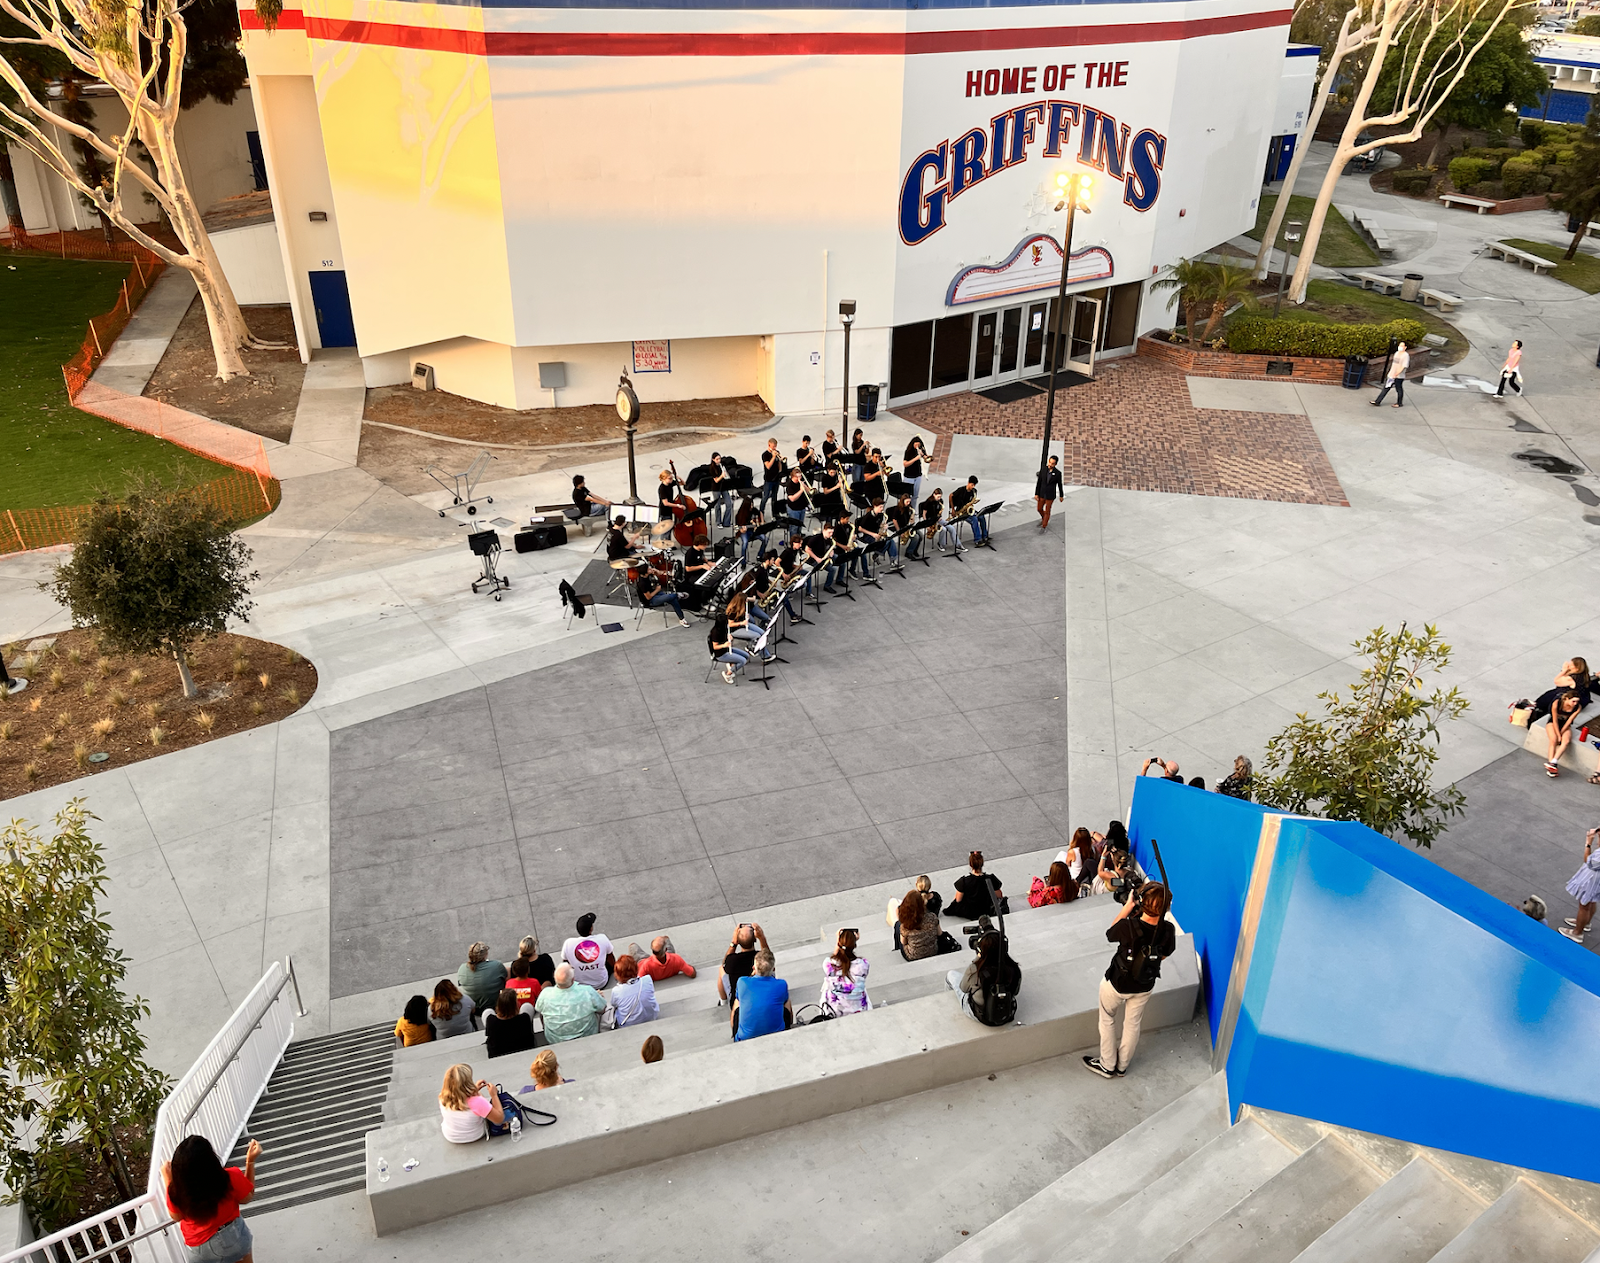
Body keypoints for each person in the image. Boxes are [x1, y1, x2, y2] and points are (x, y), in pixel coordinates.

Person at [1085, 882, 1176, 1078]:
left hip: (1118, 982)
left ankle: (1107, 1064)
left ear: (1140, 902)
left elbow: (1110, 933)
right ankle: (1122, 1066)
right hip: (1145, 984)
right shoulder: (1168, 929)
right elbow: (1165, 954)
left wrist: (1127, 908)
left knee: (1107, 1019)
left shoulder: (1128, 926)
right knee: (1133, 1023)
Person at [163, 1134, 259, 1263]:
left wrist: (168, 1180)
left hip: (200, 1249)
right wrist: (250, 1161)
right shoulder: (230, 1177)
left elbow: (176, 1216)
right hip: (234, 1239)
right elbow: (247, 1197)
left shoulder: (178, 1191)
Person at [946, 930, 1021, 1025]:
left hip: (980, 1015)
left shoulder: (974, 970)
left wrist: (977, 959)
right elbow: (1016, 992)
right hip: (1007, 1013)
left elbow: (963, 988)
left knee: (951, 975)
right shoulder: (1013, 968)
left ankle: (948, 1009)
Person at [534, 962, 608, 1042]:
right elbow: (602, 1009)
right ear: (573, 979)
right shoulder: (587, 991)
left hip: (554, 1039)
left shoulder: (545, 994)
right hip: (587, 1036)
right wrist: (598, 997)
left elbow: (539, 1010)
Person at [731, 949, 791, 1040]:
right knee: (786, 1000)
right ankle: (789, 1027)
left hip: (745, 1038)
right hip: (778, 1033)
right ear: (773, 969)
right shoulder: (782, 984)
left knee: (737, 1002)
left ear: (753, 968)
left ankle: (734, 1034)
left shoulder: (742, 982)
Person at [438, 1062, 504, 1142]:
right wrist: (494, 1095)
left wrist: (474, 1090)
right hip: (474, 1135)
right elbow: (499, 1119)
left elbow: (461, 1098)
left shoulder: (442, 1096)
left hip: (450, 1135)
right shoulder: (478, 1102)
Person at [820, 928, 870, 1015]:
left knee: (827, 984)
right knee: (860, 986)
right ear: (854, 945)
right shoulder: (863, 964)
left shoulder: (828, 964)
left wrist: (839, 942)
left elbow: (834, 958)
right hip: (858, 1010)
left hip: (833, 1011)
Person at [943, 850, 1006, 919]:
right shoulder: (991, 879)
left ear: (970, 865)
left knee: (956, 903)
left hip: (970, 911)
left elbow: (958, 900)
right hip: (987, 909)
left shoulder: (964, 881)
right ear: (982, 864)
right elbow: (999, 896)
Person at [718, 921, 769, 1005]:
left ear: (738, 940)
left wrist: (733, 943)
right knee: (769, 969)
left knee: (721, 969)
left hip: (738, 1001)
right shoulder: (760, 959)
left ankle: (723, 1002)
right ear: (755, 939)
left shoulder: (732, 960)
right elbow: (768, 958)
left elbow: (725, 963)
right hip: (760, 996)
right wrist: (762, 938)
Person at [562, 912, 616, 989]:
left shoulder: (568, 943)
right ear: (591, 929)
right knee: (606, 955)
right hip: (601, 983)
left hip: (580, 985)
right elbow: (611, 958)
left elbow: (565, 964)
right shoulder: (602, 938)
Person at [1564, 830, 1600, 940]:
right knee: (1591, 900)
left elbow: (1588, 860)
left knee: (1584, 906)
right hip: (1596, 879)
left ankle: (1577, 933)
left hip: (1592, 879)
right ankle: (1585, 923)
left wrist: (1588, 842)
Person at [484, 988, 537, 1059]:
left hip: (498, 1055)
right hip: (524, 1051)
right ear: (515, 1004)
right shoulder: (524, 1018)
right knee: (527, 1006)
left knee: (488, 1011)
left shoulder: (491, 1021)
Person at [609, 955, 661, 1027]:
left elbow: (613, 1004)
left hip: (627, 1024)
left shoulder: (616, 991)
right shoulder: (647, 980)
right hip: (652, 1017)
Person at [456, 942, 507, 1013]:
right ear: (485, 955)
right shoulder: (497, 965)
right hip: (494, 1005)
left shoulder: (462, 968)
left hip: (474, 1008)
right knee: (506, 971)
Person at [1543, 689, 1584, 777]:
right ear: (1566, 699)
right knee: (1553, 740)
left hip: (1565, 726)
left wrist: (1562, 733)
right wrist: (1558, 735)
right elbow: (1554, 720)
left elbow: (1569, 721)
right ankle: (1551, 764)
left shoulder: (1578, 707)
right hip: (1553, 723)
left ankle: (1554, 762)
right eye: (1573, 701)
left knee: (1565, 741)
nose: (1575, 704)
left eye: (1577, 701)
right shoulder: (1557, 703)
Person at [895, 890, 943, 961]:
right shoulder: (932, 917)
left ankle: (896, 948)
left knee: (897, 924)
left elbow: (903, 942)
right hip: (932, 951)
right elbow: (940, 933)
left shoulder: (905, 926)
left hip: (913, 956)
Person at [709, 613, 749, 684]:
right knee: (742, 661)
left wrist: (729, 637)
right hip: (720, 654)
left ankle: (731, 663)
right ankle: (728, 674)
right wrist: (724, 645)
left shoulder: (724, 628)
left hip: (727, 649)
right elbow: (715, 647)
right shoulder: (715, 633)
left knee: (746, 656)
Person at [1370, 341, 1410, 408]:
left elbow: (1404, 366)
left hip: (1399, 376)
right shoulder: (1397, 353)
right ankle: (1377, 401)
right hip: (1391, 375)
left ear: (1405, 347)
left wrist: (1397, 373)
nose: (1400, 347)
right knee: (1386, 388)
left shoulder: (1406, 355)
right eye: (1399, 346)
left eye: (1402, 346)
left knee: (1399, 389)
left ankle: (1399, 403)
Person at [1035, 455, 1065, 529]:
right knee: (1039, 508)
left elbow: (1059, 484)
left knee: (1047, 510)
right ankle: (1044, 518)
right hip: (1042, 493)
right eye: (1050, 462)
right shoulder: (1043, 470)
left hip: (1050, 495)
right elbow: (1039, 482)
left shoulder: (1057, 473)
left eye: (1052, 463)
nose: (1050, 465)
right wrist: (1036, 493)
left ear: (1055, 464)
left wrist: (1061, 495)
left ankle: (1044, 525)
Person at [760, 438, 786, 515]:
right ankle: (761, 513)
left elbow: (779, 465)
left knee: (774, 497)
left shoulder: (777, 452)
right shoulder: (765, 454)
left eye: (776, 446)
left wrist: (781, 464)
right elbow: (768, 466)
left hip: (776, 478)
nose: (775, 448)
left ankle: (774, 514)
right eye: (773, 446)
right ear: (769, 445)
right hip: (769, 479)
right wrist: (773, 457)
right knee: (765, 497)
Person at [903, 435, 928, 505]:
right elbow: (905, 464)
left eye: (918, 444)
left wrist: (924, 456)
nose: (917, 446)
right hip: (909, 476)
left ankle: (913, 510)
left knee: (915, 496)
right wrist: (916, 458)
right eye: (916, 444)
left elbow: (926, 459)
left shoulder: (921, 449)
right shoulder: (908, 451)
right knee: (907, 496)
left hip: (918, 476)